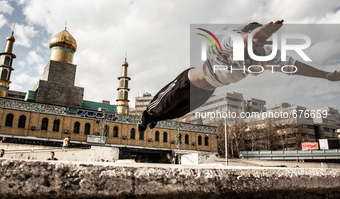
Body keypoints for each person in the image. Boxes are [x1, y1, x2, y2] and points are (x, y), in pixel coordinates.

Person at [138, 20, 340, 132]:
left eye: (262, 44)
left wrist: (326, 75)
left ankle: (156, 118)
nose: (259, 48)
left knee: (175, 113)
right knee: (160, 106)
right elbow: (237, 39)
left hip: (206, 92)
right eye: (256, 44)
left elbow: (294, 66)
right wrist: (253, 36)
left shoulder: (263, 57)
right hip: (187, 82)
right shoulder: (228, 41)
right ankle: (147, 115)